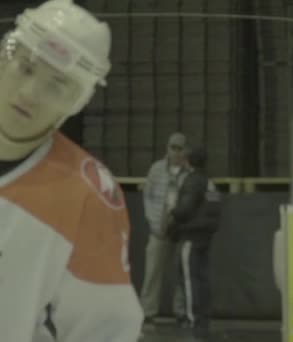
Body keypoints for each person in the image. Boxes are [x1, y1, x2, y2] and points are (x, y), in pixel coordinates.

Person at [0, 0, 143, 341]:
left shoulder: (86, 196)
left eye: (56, 85)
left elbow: (105, 331)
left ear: (76, 102)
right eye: (27, 69)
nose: (29, 94)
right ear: (5, 59)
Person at [167, 147, 221, 341]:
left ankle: (193, 320)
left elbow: (185, 209)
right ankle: (203, 319)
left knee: (189, 280)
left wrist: (173, 210)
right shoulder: (209, 181)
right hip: (205, 236)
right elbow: (215, 209)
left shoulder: (193, 181)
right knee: (202, 279)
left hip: (190, 236)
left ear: (189, 162)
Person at [140, 132, 190, 328]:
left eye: (180, 148)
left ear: (185, 151)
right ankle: (147, 312)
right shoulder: (156, 169)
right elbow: (148, 196)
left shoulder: (189, 172)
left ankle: (181, 312)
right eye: (173, 147)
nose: (176, 152)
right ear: (166, 149)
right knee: (152, 272)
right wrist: (152, 221)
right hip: (157, 230)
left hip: (179, 230)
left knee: (180, 272)